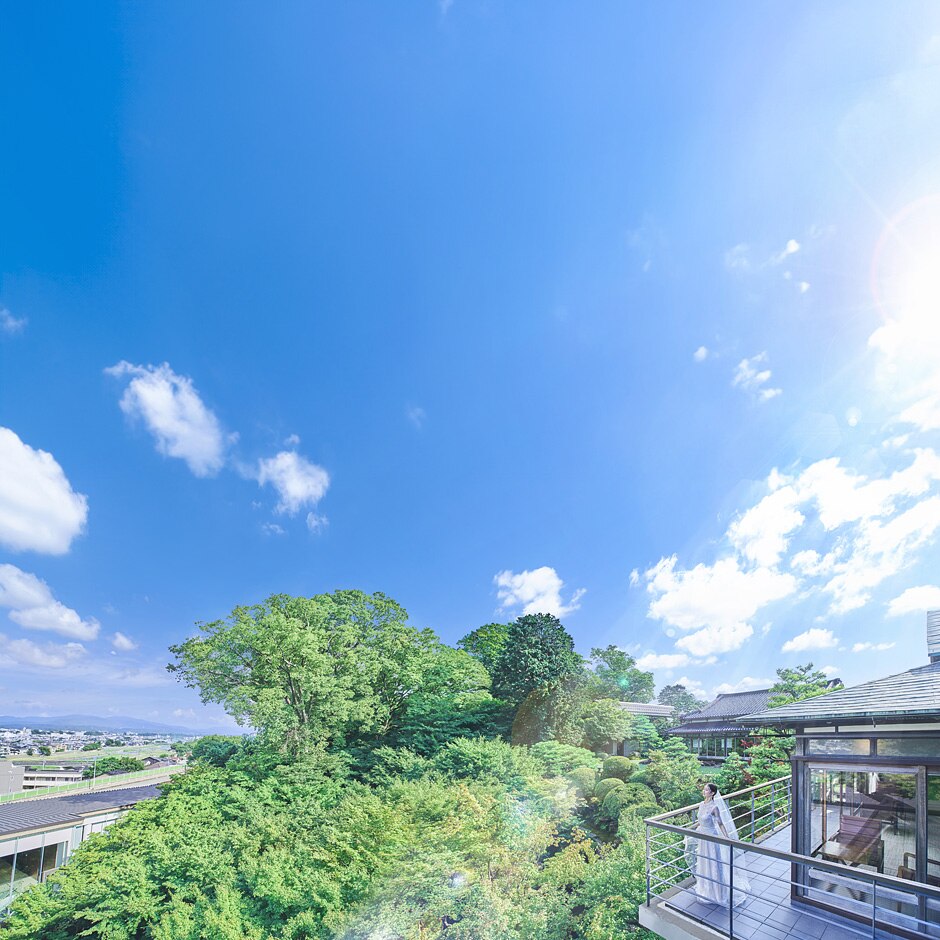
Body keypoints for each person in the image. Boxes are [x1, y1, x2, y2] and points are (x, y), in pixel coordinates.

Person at [686, 782, 750, 905]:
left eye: (706, 790)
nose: (704, 791)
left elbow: (720, 823)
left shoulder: (714, 807)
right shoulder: (701, 804)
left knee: (713, 863)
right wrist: (690, 829)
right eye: (704, 789)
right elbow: (700, 821)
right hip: (702, 838)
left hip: (711, 838)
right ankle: (706, 888)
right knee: (704, 862)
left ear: (712, 793)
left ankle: (718, 892)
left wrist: (727, 838)